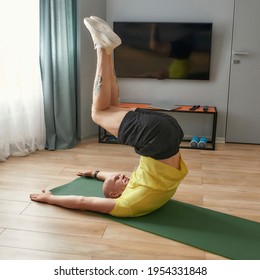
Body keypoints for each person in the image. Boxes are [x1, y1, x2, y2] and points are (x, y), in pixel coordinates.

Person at [30, 16, 188, 217]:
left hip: (170, 134)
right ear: (114, 194)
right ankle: (101, 47)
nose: (120, 175)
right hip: (156, 137)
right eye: (115, 180)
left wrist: (94, 173)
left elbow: (110, 177)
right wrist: (50, 198)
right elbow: (83, 202)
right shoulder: (125, 205)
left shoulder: (134, 187)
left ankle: (108, 50)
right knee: (97, 113)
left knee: (110, 106)